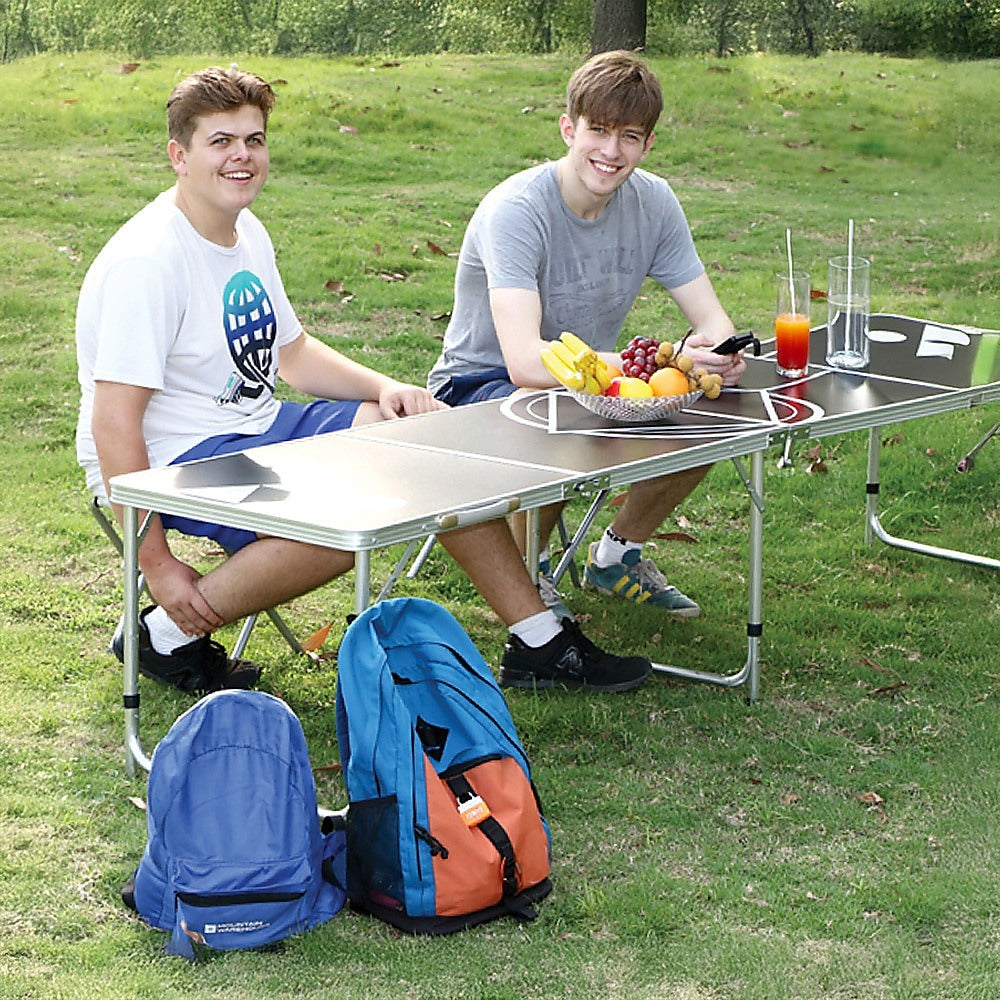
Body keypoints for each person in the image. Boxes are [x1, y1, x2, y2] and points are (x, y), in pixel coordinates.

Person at [75, 66, 651, 696]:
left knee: (430, 434)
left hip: (253, 427)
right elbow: (114, 425)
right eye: (221, 142)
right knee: (359, 508)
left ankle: (538, 642)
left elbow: (290, 354)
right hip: (175, 457)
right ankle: (165, 633)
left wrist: (385, 390)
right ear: (178, 156)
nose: (242, 156)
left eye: (255, 140)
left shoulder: (245, 233)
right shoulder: (148, 261)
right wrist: (156, 565)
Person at [427, 50, 747, 620]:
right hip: (479, 385)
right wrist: (648, 363)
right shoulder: (517, 210)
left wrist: (713, 354)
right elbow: (525, 362)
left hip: (594, 383)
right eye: (597, 131)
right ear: (568, 128)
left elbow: (713, 320)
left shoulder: (655, 201)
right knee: (558, 412)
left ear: (647, 145)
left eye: (629, 136)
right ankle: (527, 577)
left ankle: (617, 554)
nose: (610, 151)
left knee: (704, 411)